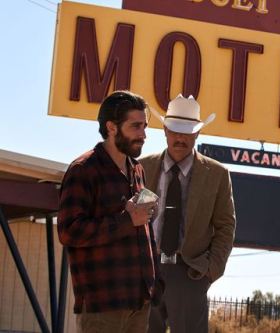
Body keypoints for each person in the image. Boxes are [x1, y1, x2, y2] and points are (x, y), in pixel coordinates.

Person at [57, 90, 160, 333]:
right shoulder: (83, 170)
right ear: (111, 127)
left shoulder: (137, 170)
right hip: (103, 306)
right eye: (135, 126)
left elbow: (142, 227)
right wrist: (127, 220)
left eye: (144, 126)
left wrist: (153, 283)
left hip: (139, 302)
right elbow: (69, 232)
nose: (143, 134)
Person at [140, 94, 236, 333]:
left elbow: (226, 226)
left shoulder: (217, 174)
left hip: (190, 272)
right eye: (174, 130)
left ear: (197, 134)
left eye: (186, 131)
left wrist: (210, 270)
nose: (180, 137)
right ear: (164, 130)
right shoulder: (142, 167)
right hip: (145, 268)